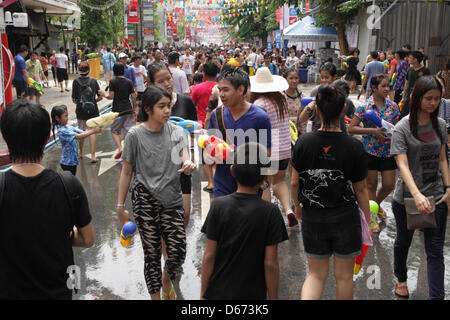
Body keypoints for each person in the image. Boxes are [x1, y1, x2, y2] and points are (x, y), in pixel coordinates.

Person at [0, 99, 94, 299]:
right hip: (58, 291)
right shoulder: (69, 185)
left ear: (6, 139)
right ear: (46, 139)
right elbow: (87, 239)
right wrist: (60, 233)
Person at [290, 84, 370, 300]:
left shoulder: (303, 142)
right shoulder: (353, 146)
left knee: (315, 275)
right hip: (345, 217)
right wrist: (368, 220)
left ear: (317, 110)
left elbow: (295, 182)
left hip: (313, 215)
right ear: (343, 109)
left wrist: (298, 206)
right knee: (344, 277)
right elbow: (361, 188)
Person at [117, 85, 196, 300]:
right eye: (162, 106)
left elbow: (184, 155)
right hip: (144, 198)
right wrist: (120, 205)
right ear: (149, 109)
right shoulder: (135, 134)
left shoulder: (177, 131)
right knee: (151, 254)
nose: (167, 110)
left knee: (178, 250)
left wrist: (188, 163)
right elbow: (126, 172)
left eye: (169, 106)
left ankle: (166, 279)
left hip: (171, 197)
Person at [201, 142, 288, 300]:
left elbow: (209, 256)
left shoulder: (218, 206)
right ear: (265, 175)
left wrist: (202, 296)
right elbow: (270, 263)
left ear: (232, 171)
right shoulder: (270, 212)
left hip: (218, 293)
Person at [390, 76, 450, 300]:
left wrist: (448, 188)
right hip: (406, 198)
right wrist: (416, 194)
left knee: (435, 251)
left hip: (437, 196)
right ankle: (402, 280)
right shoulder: (402, 128)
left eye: (437, 99)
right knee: (403, 242)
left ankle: (437, 297)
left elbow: (443, 159)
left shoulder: (440, 125)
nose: (433, 103)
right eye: (428, 98)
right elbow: (402, 164)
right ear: (417, 97)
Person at [207, 67, 272, 198]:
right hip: (222, 185)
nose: (221, 95)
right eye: (220, 90)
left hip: (250, 187)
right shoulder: (216, 115)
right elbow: (210, 147)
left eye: (226, 90)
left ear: (241, 90)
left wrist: (264, 183)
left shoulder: (260, 117)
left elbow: (267, 153)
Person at [146, 63, 197, 225]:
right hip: (157, 171)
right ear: (152, 84)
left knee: (185, 216)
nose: (167, 83)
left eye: (168, 78)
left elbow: (193, 129)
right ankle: (167, 251)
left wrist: (202, 136)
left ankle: (176, 249)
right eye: (161, 81)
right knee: (163, 222)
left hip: (182, 167)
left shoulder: (186, 102)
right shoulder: (148, 107)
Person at [348, 74, 400, 232]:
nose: (386, 89)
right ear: (374, 88)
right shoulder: (365, 107)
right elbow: (351, 129)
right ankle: (371, 218)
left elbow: (397, 127)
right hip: (370, 151)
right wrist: (372, 130)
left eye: (388, 86)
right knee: (370, 185)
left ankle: (372, 206)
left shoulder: (393, 106)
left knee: (389, 185)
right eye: (383, 86)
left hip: (388, 151)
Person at [249, 67, 296, 227]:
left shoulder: (259, 103)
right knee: (280, 181)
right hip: (284, 147)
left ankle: (266, 218)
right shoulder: (281, 98)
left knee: (265, 184)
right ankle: (289, 210)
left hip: (269, 149)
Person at [51, 105, 101, 176]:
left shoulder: (68, 127)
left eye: (67, 116)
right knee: (70, 183)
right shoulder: (62, 131)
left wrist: (95, 127)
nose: (67, 118)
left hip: (72, 162)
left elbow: (82, 132)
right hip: (67, 164)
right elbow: (78, 136)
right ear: (57, 118)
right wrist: (93, 131)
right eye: (65, 116)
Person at [102, 62, 137, 159]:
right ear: (123, 71)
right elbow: (134, 96)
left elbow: (111, 96)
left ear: (114, 71)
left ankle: (120, 148)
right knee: (128, 131)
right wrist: (135, 107)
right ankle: (127, 150)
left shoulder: (113, 81)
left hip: (117, 112)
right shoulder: (129, 82)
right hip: (128, 110)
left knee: (114, 131)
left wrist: (103, 94)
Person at [72, 61, 103, 163]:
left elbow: (74, 99)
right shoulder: (93, 81)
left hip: (81, 110)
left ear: (79, 70)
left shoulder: (75, 82)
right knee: (92, 131)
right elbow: (100, 96)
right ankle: (93, 155)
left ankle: (81, 153)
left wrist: (80, 102)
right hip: (93, 110)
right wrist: (94, 101)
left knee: (81, 131)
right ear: (88, 70)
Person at [297, 63, 338, 133]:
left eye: (327, 77)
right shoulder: (315, 92)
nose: (324, 80)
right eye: (322, 77)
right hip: (317, 129)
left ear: (334, 77)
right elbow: (305, 116)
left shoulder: (339, 93)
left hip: (335, 129)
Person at [400, 51, 431, 118]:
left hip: (419, 98)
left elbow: (428, 84)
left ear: (416, 60)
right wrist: (403, 97)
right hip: (408, 97)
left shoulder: (425, 70)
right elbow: (406, 83)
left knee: (416, 115)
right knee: (404, 115)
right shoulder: (410, 70)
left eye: (410, 58)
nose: (408, 59)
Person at [192, 62, 219, 127]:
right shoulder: (220, 88)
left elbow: (192, 105)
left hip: (201, 122)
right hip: (217, 122)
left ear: (204, 74)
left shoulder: (197, 88)